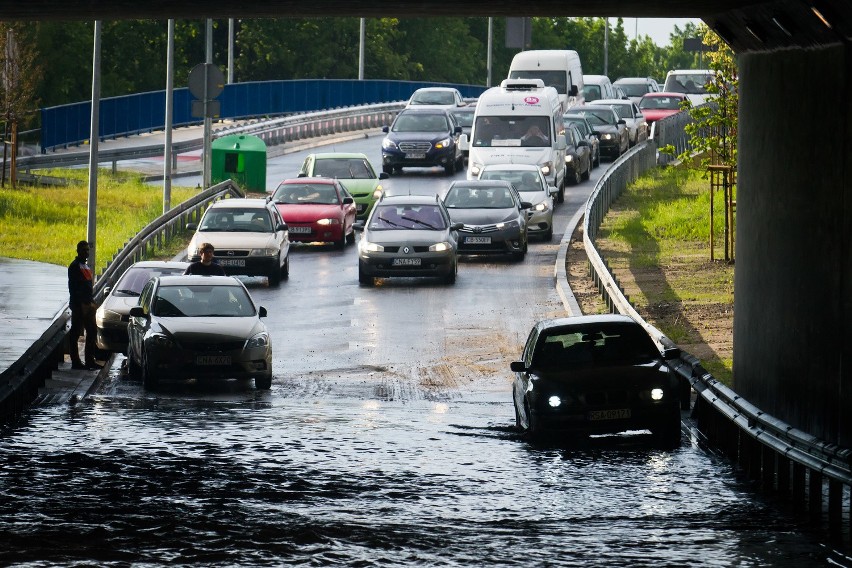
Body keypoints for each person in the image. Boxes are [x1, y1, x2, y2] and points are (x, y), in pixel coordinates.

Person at [67, 240, 101, 370]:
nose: (86, 252)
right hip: (79, 306)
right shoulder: (74, 266)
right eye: (84, 250)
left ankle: (89, 360)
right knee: (75, 333)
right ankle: (76, 361)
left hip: (88, 304)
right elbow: (74, 288)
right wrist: (80, 304)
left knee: (92, 331)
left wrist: (91, 302)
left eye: (87, 250)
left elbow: (88, 288)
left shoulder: (86, 267)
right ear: (78, 251)